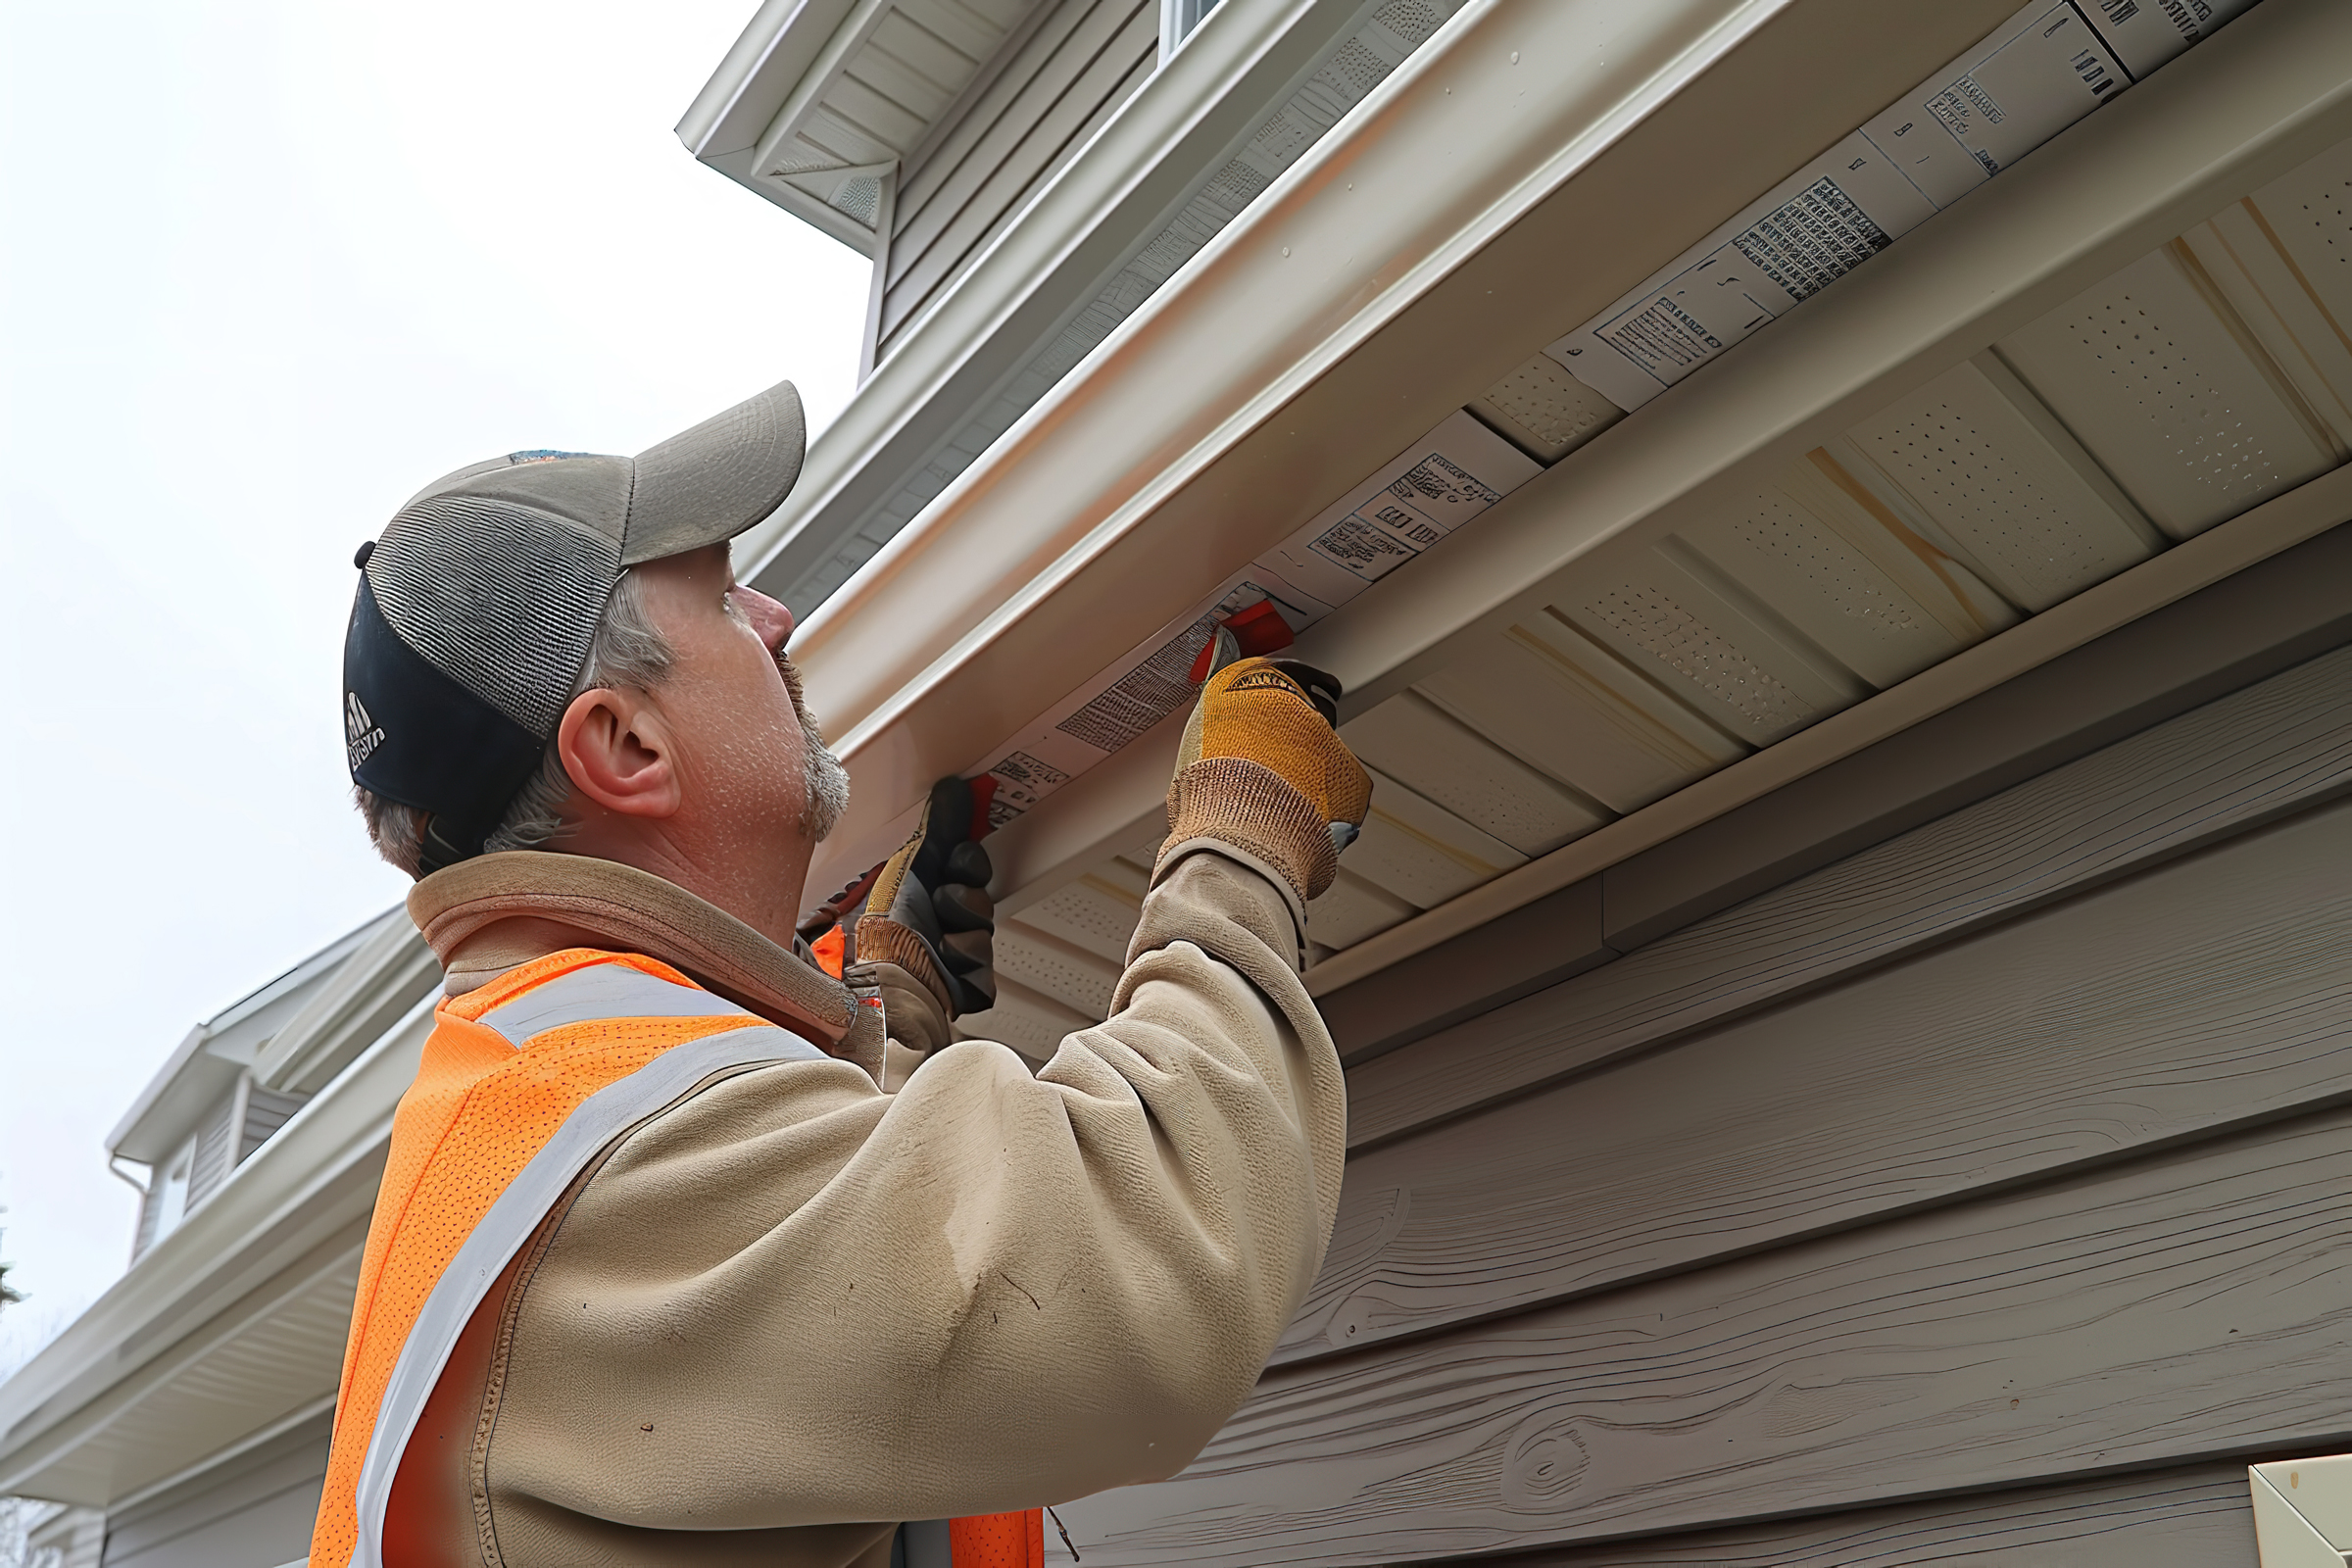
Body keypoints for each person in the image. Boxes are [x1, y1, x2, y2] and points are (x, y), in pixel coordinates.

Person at [312, 379, 1374, 1568]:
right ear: (624, 745)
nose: (775, 616)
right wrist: (1238, 839)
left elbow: (841, 1339)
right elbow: (1148, 1255)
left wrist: (886, 1017)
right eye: (720, 597)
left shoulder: (539, 1095)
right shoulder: (615, 1148)